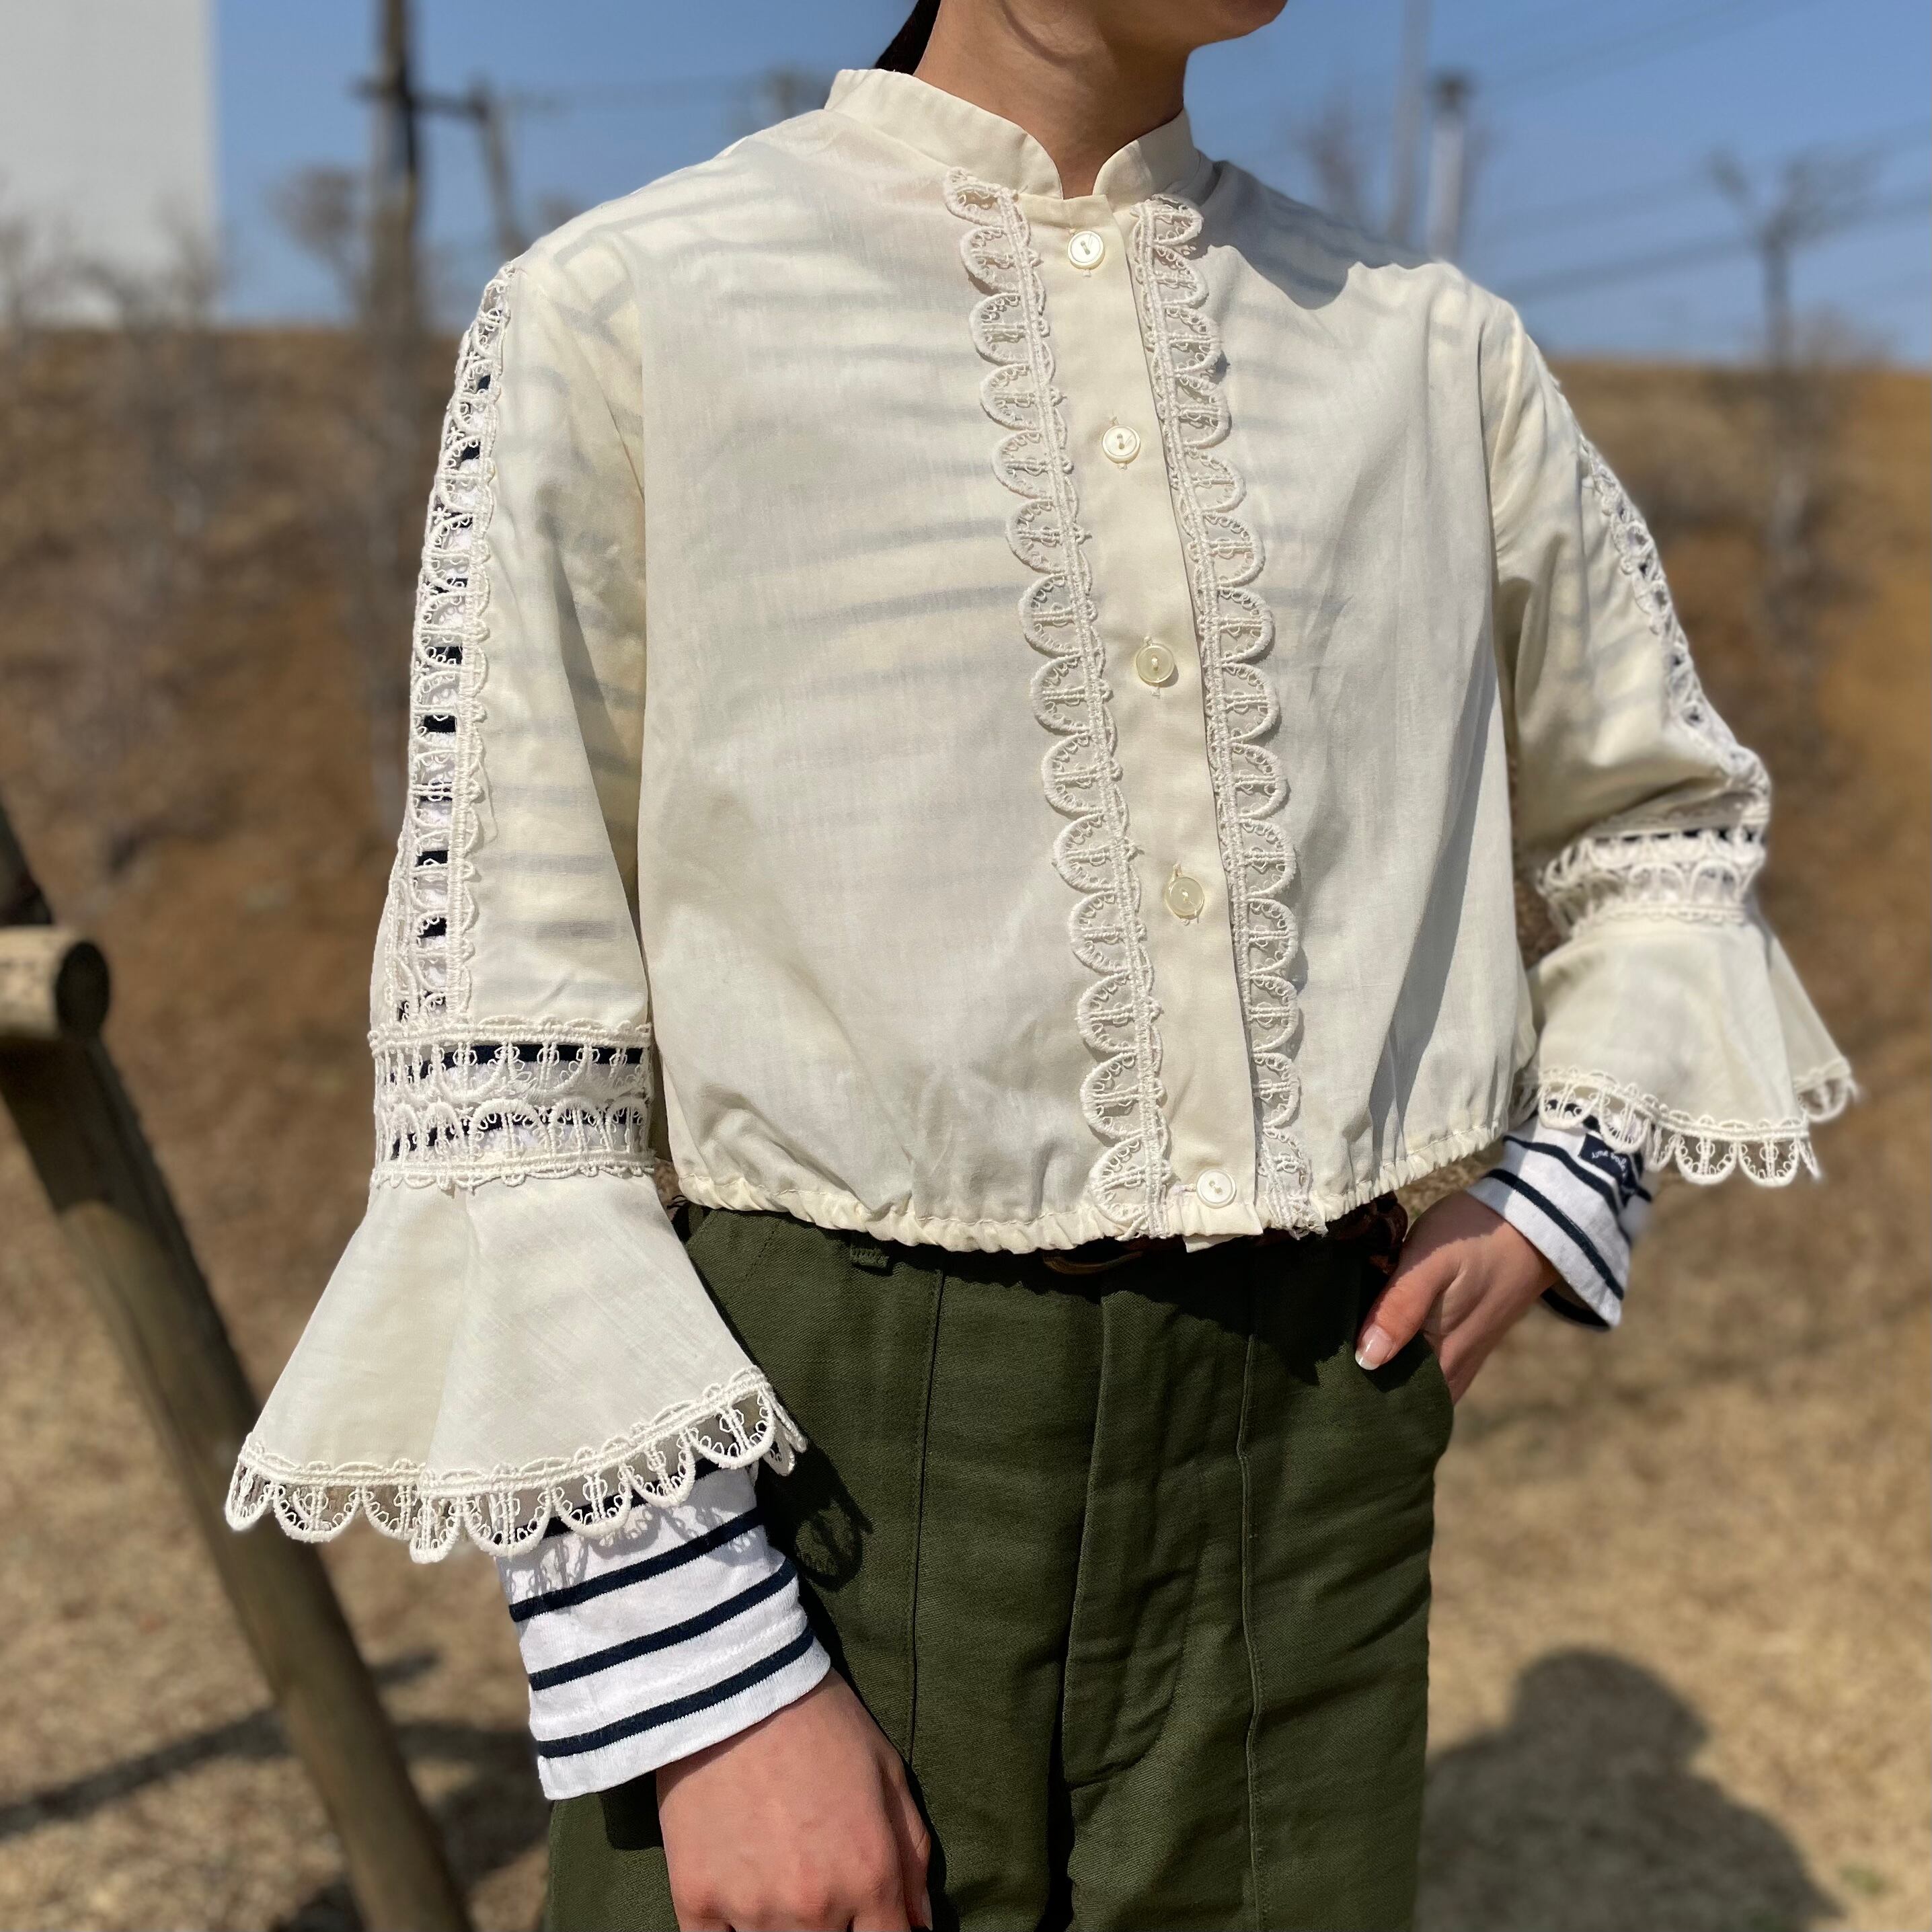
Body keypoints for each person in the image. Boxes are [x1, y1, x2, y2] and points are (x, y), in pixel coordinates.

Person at [225, 1, 1851, 1926]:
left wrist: (1562, 1183)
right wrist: (716, 1689)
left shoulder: (1427, 350)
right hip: (809, 1444)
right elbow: (507, 1056)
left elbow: (1663, 818)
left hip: (1306, 1443)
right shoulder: (633, 310)